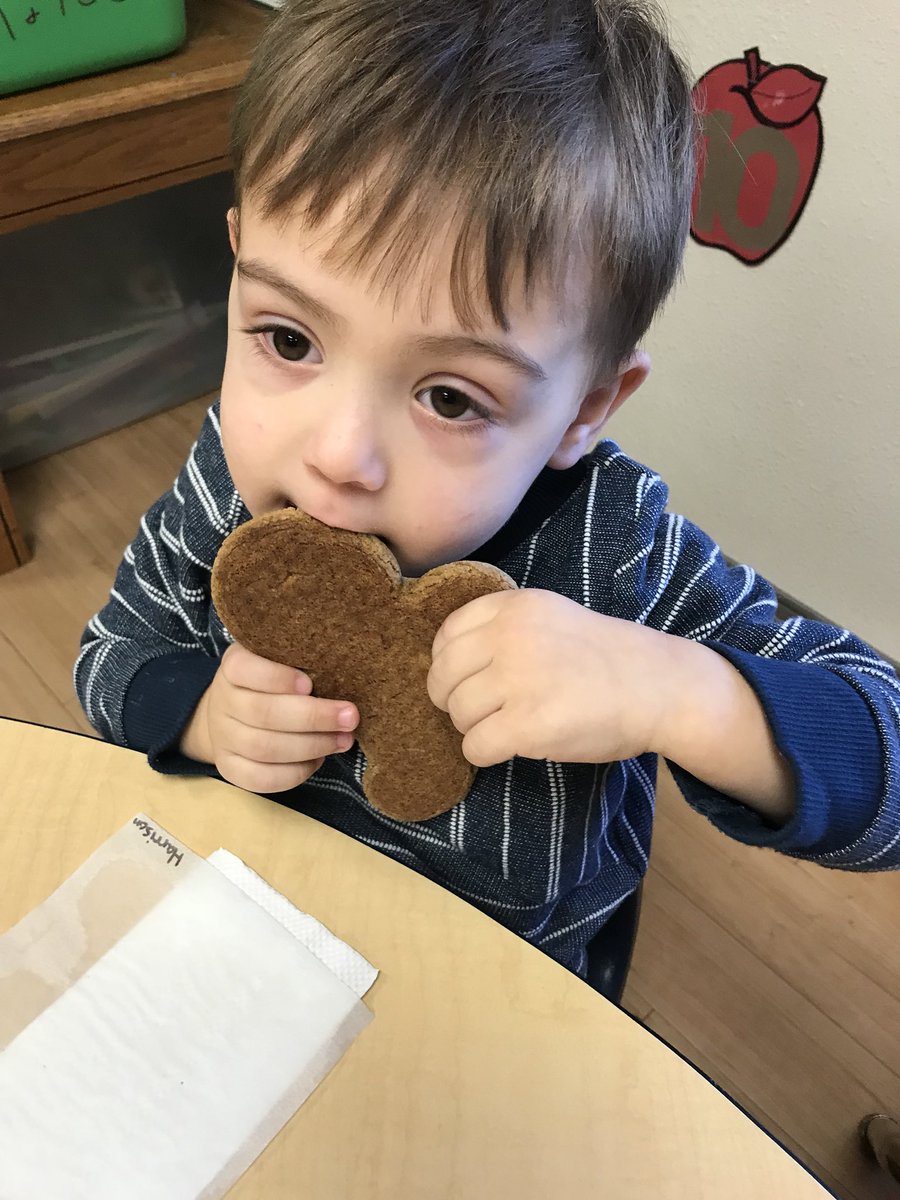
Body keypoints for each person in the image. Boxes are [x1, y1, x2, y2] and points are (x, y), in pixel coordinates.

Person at [75, 0, 900, 978]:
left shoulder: (620, 549)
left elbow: (884, 756)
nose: (337, 456)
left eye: (453, 397)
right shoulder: (226, 477)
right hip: (255, 935)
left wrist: (677, 691)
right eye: (289, 339)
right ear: (237, 259)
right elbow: (112, 652)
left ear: (587, 408)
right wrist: (197, 710)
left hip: (507, 994)